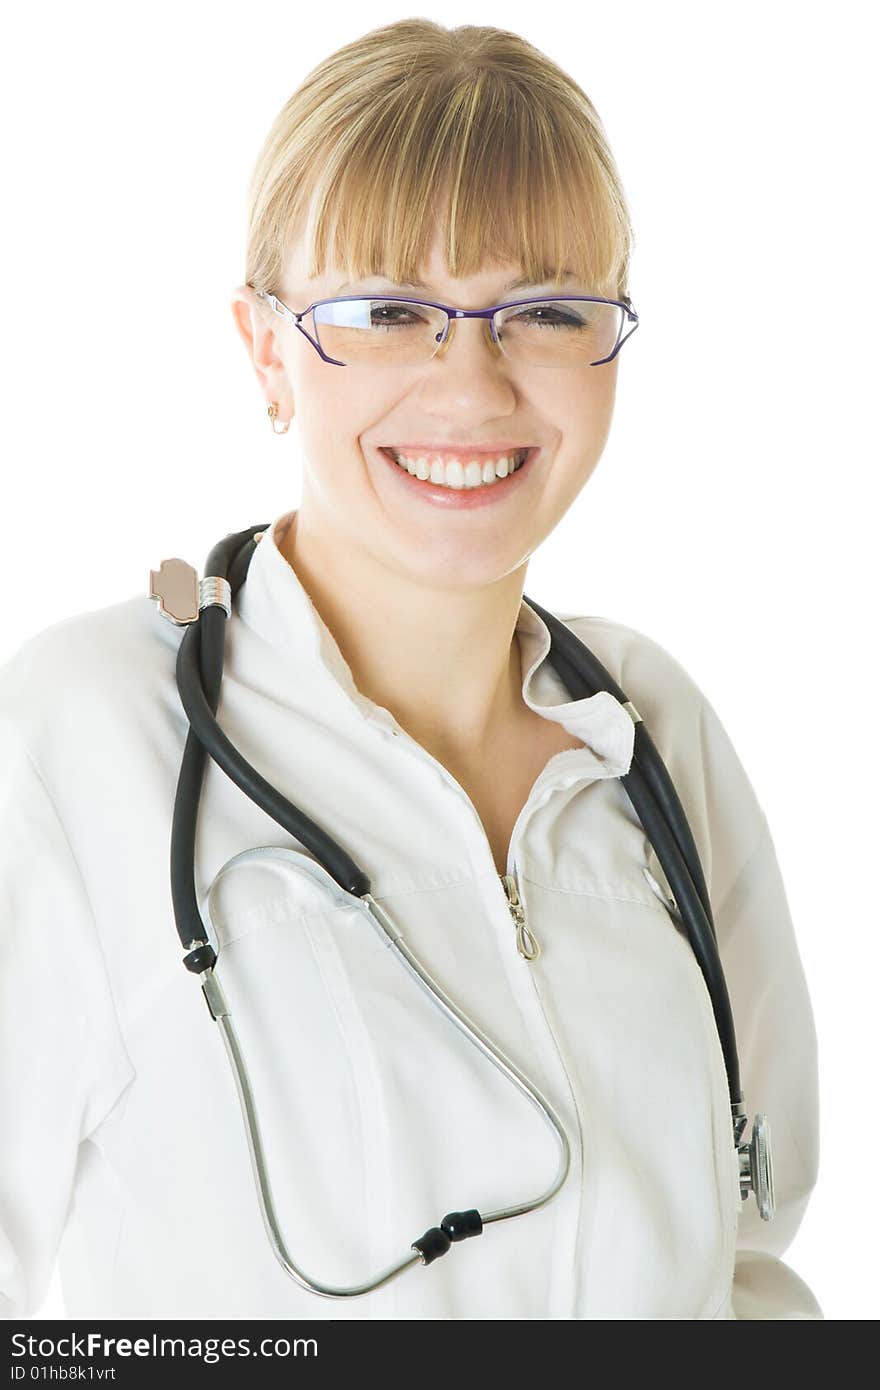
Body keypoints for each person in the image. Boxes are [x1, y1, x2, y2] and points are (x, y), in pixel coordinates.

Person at [0, 19, 821, 1320]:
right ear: (265, 347)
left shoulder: (653, 729)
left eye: (548, 311)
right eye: (387, 311)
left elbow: (747, 1261)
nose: (473, 382)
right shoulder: (76, 738)